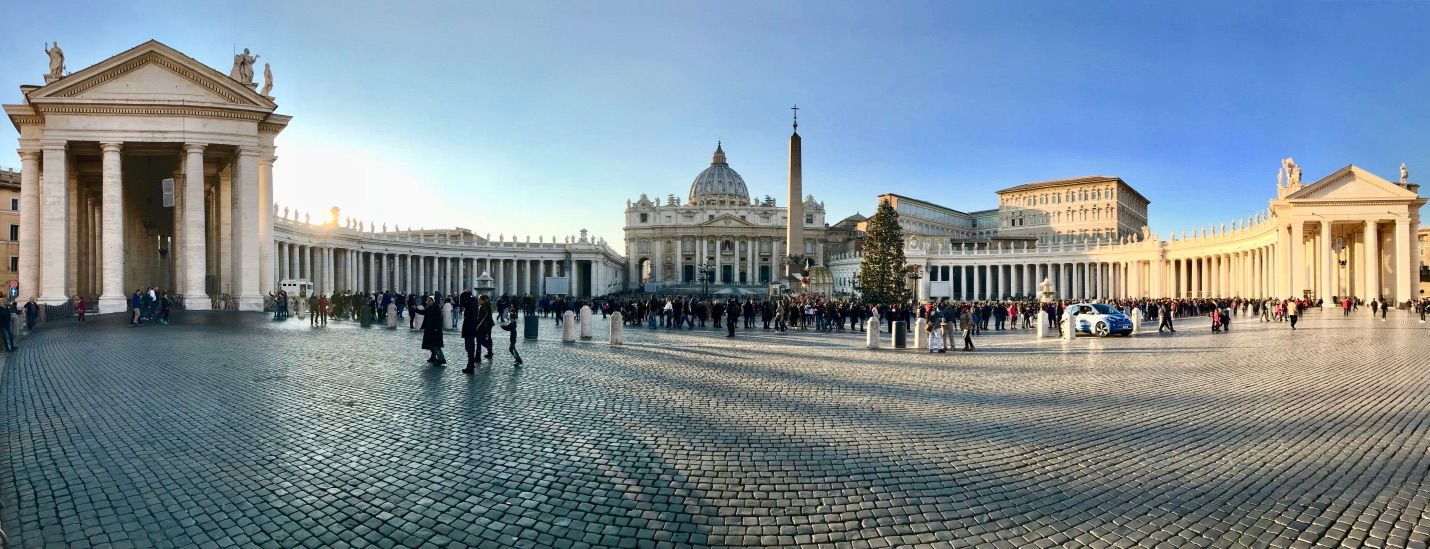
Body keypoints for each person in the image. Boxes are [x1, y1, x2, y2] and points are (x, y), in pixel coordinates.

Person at [415, 296, 446, 365]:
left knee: (436, 345)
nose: (427, 302)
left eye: (429, 301)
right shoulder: (429, 308)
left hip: (435, 330)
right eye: (427, 301)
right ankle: (433, 357)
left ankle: (441, 358)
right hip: (429, 330)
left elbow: (439, 320)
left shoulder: (436, 308)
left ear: (433, 301)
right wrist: (415, 309)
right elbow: (422, 312)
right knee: (431, 345)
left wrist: (436, 328)